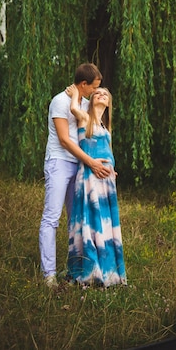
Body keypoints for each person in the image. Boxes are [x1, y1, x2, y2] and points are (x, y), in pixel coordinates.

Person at [39, 63, 111, 288]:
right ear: (83, 84)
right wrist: (89, 161)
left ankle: (75, 270)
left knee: (77, 220)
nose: (95, 91)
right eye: (94, 87)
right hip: (60, 162)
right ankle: (48, 274)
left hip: (80, 167)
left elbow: (94, 134)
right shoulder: (60, 101)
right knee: (51, 218)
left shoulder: (85, 103)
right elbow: (64, 140)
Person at [65, 83, 127, 287]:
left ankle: (107, 266)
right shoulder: (86, 117)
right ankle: (90, 269)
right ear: (91, 100)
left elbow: (107, 150)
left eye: (104, 95)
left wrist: (113, 169)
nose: (101, 95)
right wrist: (75, 94)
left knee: (106, 222)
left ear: (108, 103)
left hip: (106, 181)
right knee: (90, 219)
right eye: (97, 93)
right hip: (90, 176)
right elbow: (74, 109)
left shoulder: (104, 126)